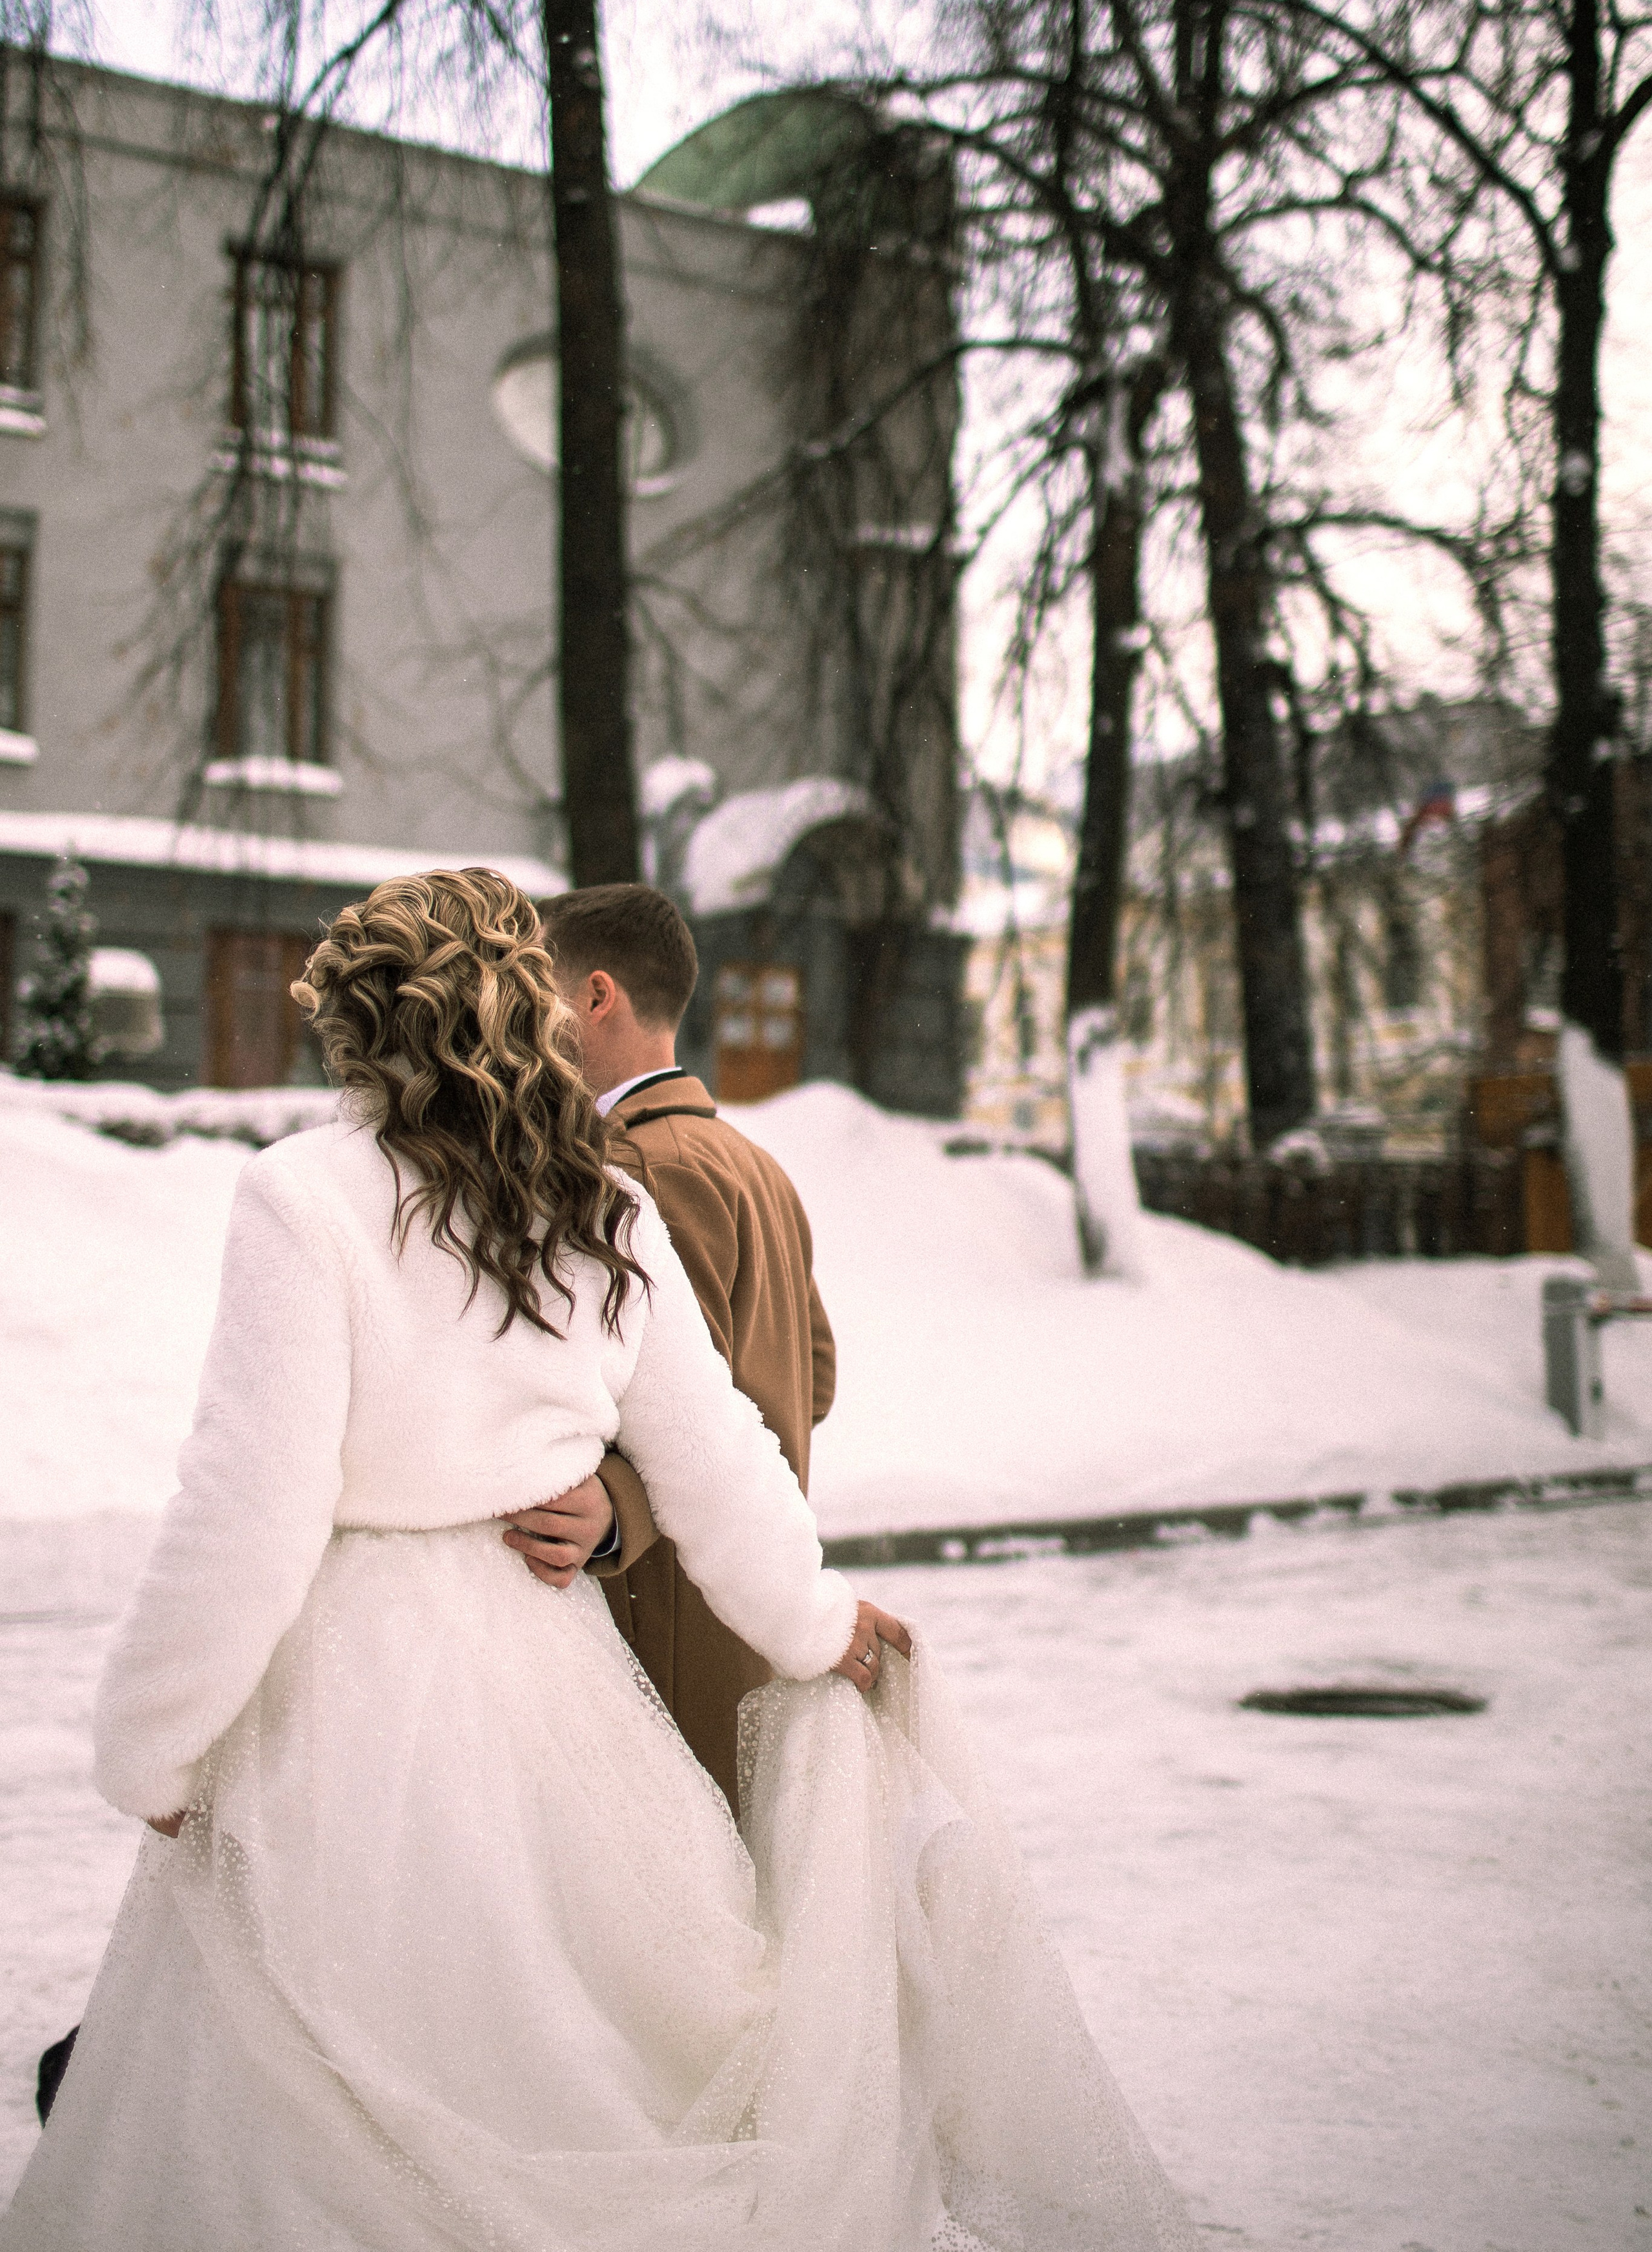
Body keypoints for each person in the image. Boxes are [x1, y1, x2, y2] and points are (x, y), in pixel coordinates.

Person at [2, 869, 1200, 2252]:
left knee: (315, 2084)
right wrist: (814, 1624)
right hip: (556, 1687)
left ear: (361, 1028)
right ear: (522, 1013)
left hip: (349, 1704)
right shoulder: (599, 1208)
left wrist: (152, 1742)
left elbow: (249, 1506)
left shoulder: (304, 1198)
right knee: (566, 2053)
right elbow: (722, 1464)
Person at [502, 883, 841, 1811]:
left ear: (596, 997)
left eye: (534, 994)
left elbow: (687, 1401)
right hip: (745, 1602)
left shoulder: (635, 1170)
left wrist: (618, 1506)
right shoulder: (753, 1164)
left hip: (662, 1615)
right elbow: (813, 1380)